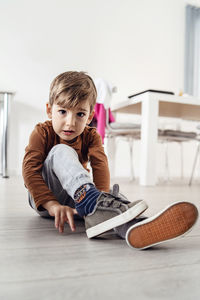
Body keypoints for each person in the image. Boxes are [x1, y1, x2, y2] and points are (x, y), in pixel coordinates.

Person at [22, 71, 198, 250]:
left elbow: (100, 166)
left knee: (115, 198)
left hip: (78, 198)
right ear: (49, 110)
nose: (70, 122)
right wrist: (50, 204)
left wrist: (102, 196)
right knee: (61, 151)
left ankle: (132, 226)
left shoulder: (91, 136)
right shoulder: (42, 132)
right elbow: (30, 171)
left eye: (80, 114)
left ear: (90, 116)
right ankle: (94, 204)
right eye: (62, 112)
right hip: (45, 198)